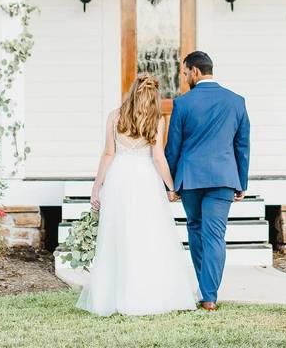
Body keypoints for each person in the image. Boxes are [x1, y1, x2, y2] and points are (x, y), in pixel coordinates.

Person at [76, 73, 198, 316]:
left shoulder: (115, 116)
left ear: (132, 92)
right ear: (153, 96)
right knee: (148, 234)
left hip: (119, 178)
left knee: (118, 235)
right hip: (145, 180)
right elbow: (158, 158)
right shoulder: (156, 119)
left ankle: (114, 295)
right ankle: (147, 292)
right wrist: (172, 186)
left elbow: (108, 154)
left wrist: (96, 186)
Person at [165, 51, 251, 311]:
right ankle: (209, 295)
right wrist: (242, 182)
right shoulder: (236, 101)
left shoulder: (182, 104)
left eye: (184, 72)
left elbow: (173, 148)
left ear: (195, 71)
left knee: (196, 230)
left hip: (190, 178)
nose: (184, 77)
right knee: (215, 236)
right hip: (224, 178)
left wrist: (169, 184)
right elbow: (243, 145)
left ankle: (207, 290)